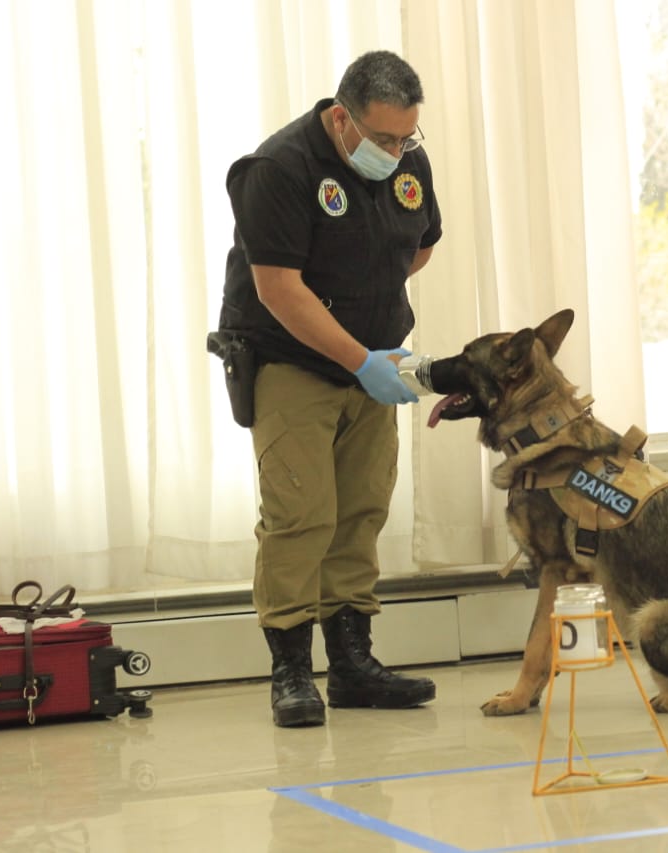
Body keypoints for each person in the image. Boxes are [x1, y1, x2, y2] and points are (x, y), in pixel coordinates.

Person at [212, 50, 440, 726]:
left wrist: (375, 322)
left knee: (361, 509)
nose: (398, 152)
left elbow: (419, 242)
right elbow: (280, 290)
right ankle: (290, 670)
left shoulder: (407, 162)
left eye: (407, 138)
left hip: (372, 359)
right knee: (300, 513)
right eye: (383, 139)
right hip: (292, 361)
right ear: (342, 118)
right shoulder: (279, 170)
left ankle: (352, 664)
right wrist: (357, 356)